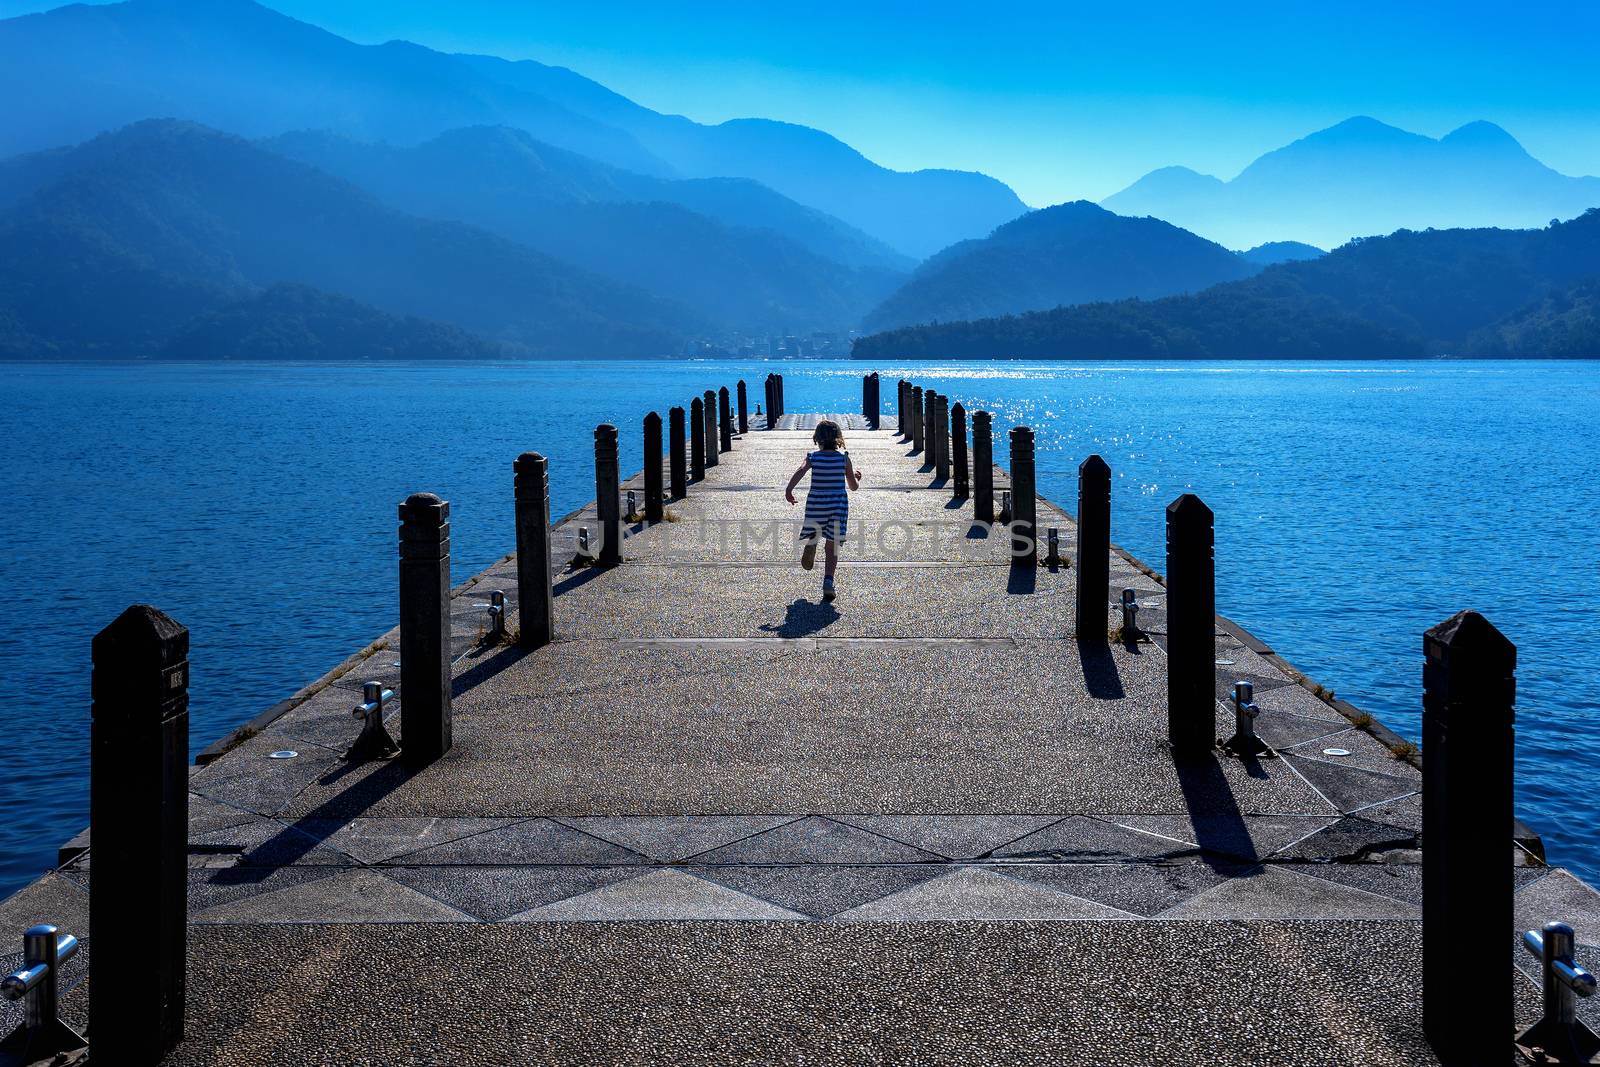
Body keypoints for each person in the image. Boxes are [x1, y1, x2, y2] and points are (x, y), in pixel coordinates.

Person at [784, 419, 862, 601]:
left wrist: (789, 489)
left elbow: (801, 470)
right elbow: (853, 487)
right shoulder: (844, 458)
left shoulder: (813, 457)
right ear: (838, 439)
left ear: (817, 439)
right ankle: (828, 581)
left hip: (816, 505)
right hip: (837, 506)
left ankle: (812, 542)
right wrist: (857, 477)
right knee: (832, 544)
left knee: (815, 530)